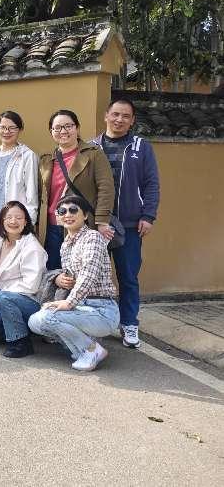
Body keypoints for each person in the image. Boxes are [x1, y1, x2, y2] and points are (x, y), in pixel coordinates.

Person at [90, 98, 160, 348]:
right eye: (115, 114)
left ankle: (129, 323)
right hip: (97, 224)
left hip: (130, 224)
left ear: (132, 121)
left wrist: (148, 216)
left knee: (128, 276)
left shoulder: (141, 147)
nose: (119, 120)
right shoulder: (91, 147)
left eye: (125, 116)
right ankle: (92, 324)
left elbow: (151, 183)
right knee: (92, 276)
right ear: (106, 115)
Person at [28, 195, 120, 371]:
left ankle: (90, 350)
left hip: (101, 310)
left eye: (73, 210)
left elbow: (88, 274)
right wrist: (60, 280)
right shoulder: (66, 245)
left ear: (85, 215)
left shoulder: (92, 237)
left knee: (47, 317)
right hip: (81, 307)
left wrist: (69, 303)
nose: (67, 214)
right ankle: (87, 348)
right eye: (62, 211)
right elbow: (71, 278)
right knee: (35, 321)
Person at [39, 109, 115, 270]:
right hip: (52, 227)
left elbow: (106, 188)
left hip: (81, 225)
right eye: (57, 128)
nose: (63, 131)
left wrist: (102, 221)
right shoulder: (46, 160)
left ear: (77, 128)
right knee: (54, 274)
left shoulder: (94, 154)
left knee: (81, 272)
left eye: (68, 126)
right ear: (51, 131)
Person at [0, 201, 46, 357]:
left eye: (19, 218)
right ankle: (24, 329)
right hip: (3, 299)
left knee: (1, 298)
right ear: (2, 221)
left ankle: (20, 341)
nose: (13, 221)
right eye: (8, 217)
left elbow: (32, 285)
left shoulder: (32, 247)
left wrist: (2, 295)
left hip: (29, 300)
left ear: (26, 221)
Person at [0, 111, 39, 237]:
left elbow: (32, 193)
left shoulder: (27, 156)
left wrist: (29, 224)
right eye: (2, 127)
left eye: (12, 128)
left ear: (20, 129)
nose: (6, 131)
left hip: (16, 224)